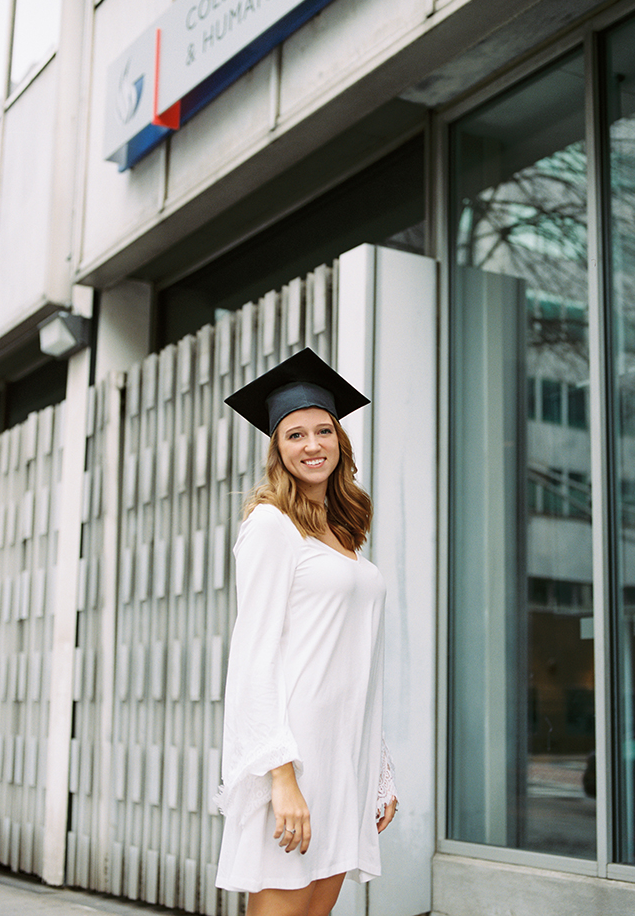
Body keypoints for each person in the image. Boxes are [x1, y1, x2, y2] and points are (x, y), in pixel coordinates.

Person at [215, 348, 397, 916]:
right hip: (294, 757)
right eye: (295, 435)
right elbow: (254, 657)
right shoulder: (271, 525)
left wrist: (379, 769)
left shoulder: (343, 535)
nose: (312, 444)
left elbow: (354, 661)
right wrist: (282, 779)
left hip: (343, 755)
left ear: (341, 442)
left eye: (324, 430)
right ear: (278, 450)